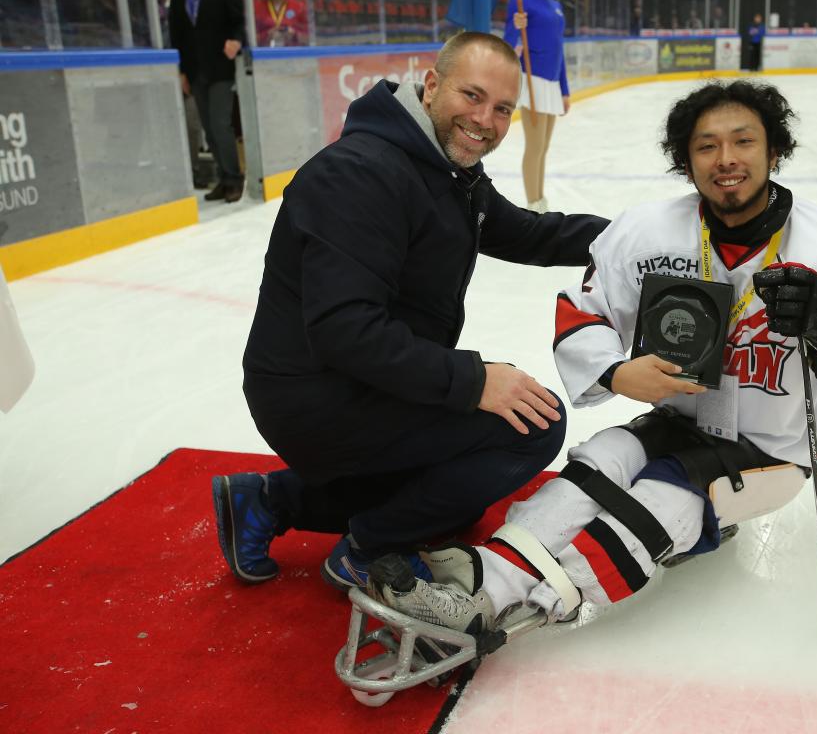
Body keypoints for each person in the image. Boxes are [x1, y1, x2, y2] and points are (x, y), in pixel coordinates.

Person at [365, 80, 817, 637]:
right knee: (603, 456)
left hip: (775, 449)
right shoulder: (647, 231)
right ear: (686, 161)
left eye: (744, 142)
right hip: (677, 421)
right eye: (706, 146)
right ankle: (490, 579)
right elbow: (583, 312)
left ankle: (525, 606)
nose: (725, 159)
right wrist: (614, 370)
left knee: (665, 496)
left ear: (774, 150)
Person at [210, 32, 609, 594]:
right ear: (430, 86)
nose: (485, 120)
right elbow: (346, 331)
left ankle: (271, 500)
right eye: (471, 97)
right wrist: (472, 382)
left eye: (501, 109)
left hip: (364, 380)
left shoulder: (442, 167)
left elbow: (524, 232)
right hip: (314, 394)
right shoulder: (359, 174)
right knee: (531, 425)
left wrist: (627, 240)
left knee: (450, 511)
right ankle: (368, 549)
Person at [168, 0, 246, 203]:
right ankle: (224, 179)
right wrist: (181, 71)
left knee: (220, 123)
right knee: (208, 127)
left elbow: (238, 20)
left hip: (220, 67)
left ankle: (234, 177)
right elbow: (176, 33)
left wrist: (236, 40)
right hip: (193, 69)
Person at [503, 0, 569, 214]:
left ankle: (540, 199)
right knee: (535, 146)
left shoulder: (556, 7)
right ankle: (533, 204)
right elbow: (508, 47)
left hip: (552, 84)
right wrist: (516, 28)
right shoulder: (520, 2)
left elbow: (560, 50)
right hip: (533, 81)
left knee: (544, 148)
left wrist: (564, 89)